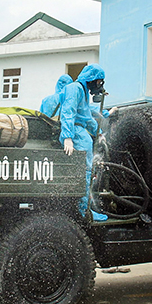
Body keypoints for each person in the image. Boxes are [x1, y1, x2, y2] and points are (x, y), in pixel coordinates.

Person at [57, 64, 109, 222]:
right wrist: (67, 136)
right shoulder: (75, 88)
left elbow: (86, 116)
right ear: (91, 79)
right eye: (99, 82)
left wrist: (98, 132)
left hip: (80, 134)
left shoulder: (83, 92)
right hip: (76, 134)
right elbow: (68, 111)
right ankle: (83, 210)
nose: (99, 86)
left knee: (88, 172)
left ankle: (85, 207)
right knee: (85, 172)